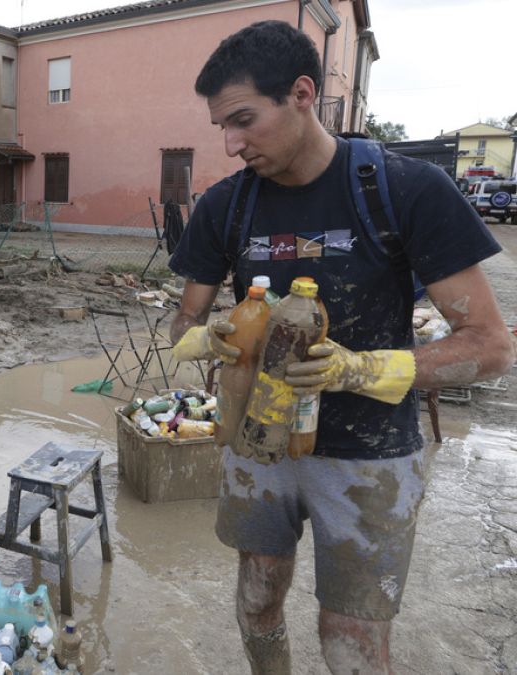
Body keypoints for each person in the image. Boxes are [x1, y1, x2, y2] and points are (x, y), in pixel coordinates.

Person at [167, 20, 515, 674]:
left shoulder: (404, 190)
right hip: (260, 442)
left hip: (369, 455)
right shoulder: (225, 206)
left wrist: (359, 369)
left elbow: (492, 347)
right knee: (256, 602)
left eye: (244, 120)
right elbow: (182, 319)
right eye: (222, 126)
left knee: (348, 639)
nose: (231, 144)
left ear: (302, 94)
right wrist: (203, 337)